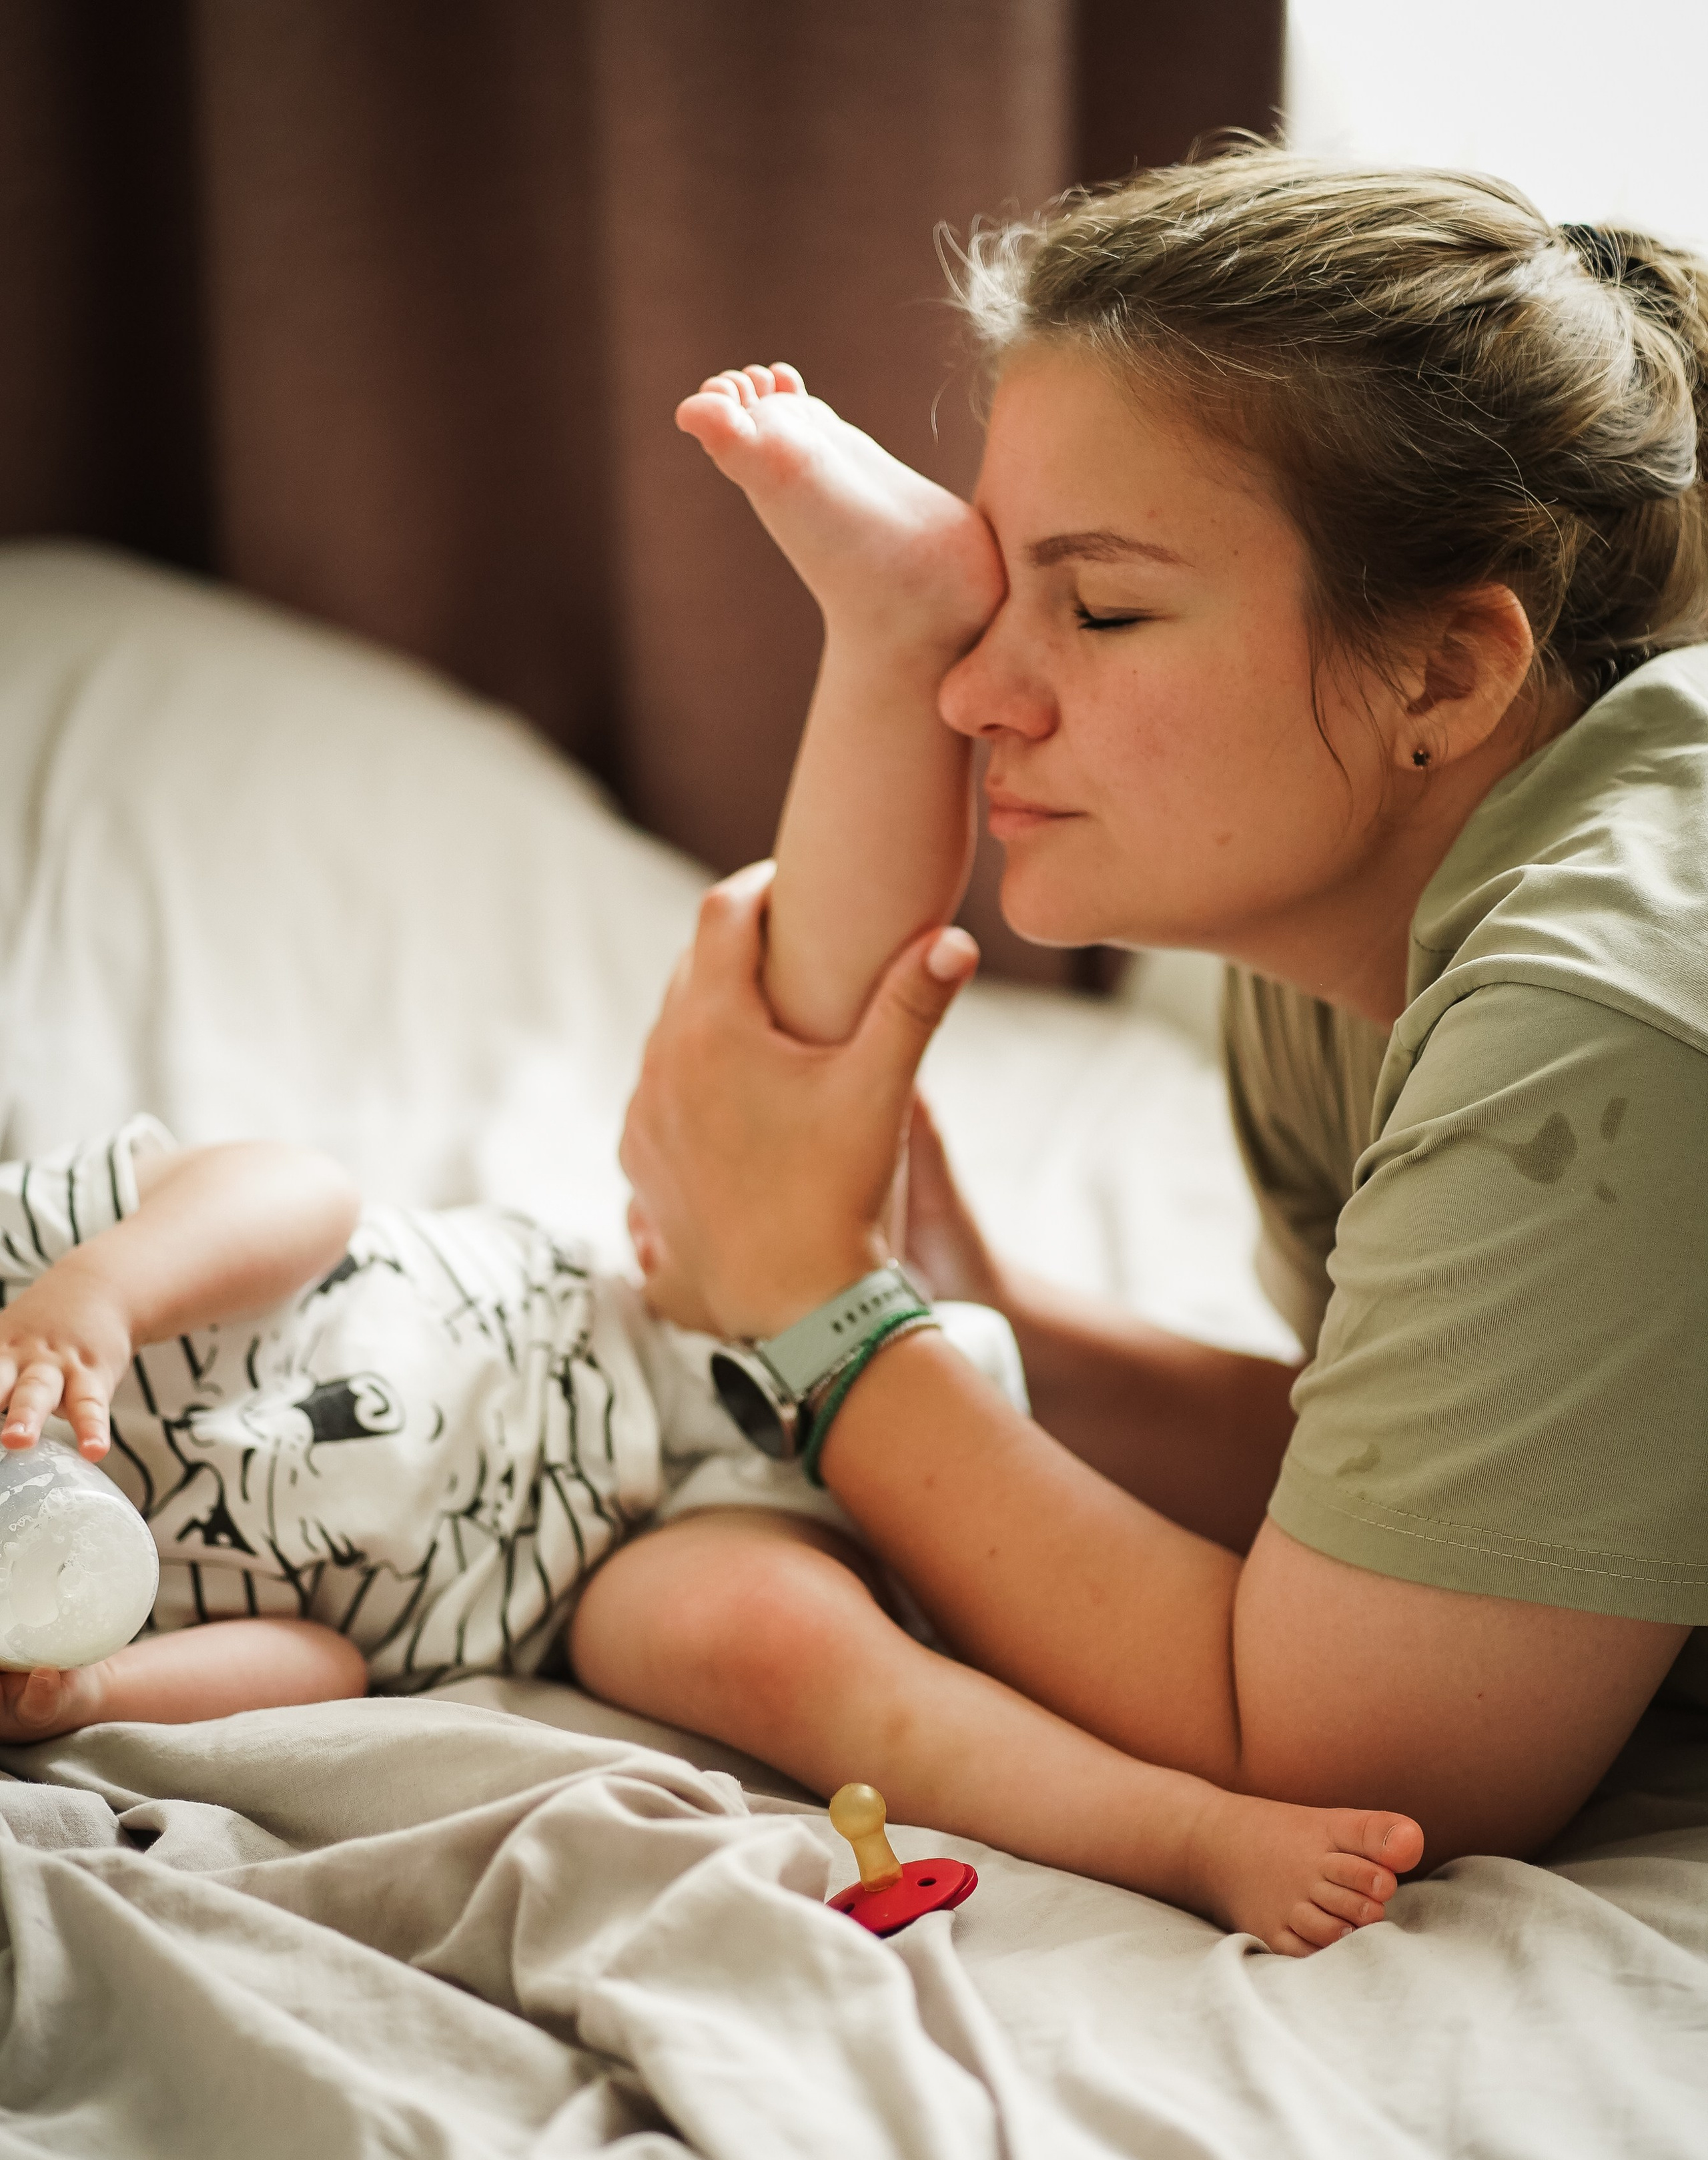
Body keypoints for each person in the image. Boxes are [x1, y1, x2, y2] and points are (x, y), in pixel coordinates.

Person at [0, 312, 1427, 1961]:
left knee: (808, 1012)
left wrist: (100, 1293)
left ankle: (894, 633)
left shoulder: (46, 1275)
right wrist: (93, 1692)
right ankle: (1187, 1834)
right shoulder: (51, 1605)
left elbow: (291, 1192)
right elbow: (322, 1667)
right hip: (601, 1570)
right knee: (782, 1662)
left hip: (635, 1315)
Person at [616, 148, 1708, 1906]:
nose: (976, 692)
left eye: (1104, 609)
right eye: (1002, 589)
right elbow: (1432, 1508)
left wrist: (815, 1317)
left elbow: (1361, 1755)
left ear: (1447, 670)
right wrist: (986, 1314)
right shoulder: (1339, 934)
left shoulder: (1601, 1011)